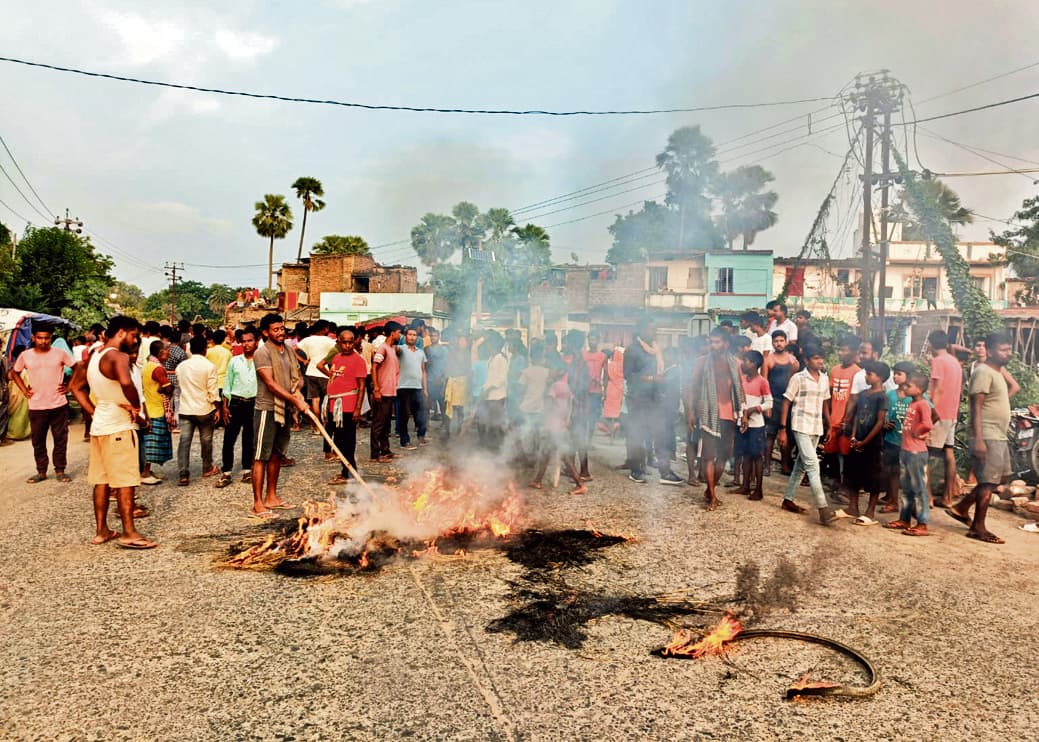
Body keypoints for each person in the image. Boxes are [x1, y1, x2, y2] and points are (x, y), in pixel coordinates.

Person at [70, 315, 156, 549]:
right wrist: (137, 408)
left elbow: (75, 387)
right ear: (122, 332)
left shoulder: (93, 355)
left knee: (102, 481)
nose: (135, 339)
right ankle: (129, 532)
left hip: (101, 424)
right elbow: (126, 383)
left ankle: (102, 531)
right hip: (119, 425)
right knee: (125, 481)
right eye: (133, 335)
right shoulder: (117, 356)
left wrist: (92, 411)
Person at [946, 331, 1013, 544]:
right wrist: (979, 439)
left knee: (999, 478)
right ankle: (978, 527)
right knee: (987, 482)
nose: (1008, 353)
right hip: (987, 433)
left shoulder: (998, 372)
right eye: (1003, 350)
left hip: (999, 435)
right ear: (991, 351)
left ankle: (962, 507)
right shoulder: (983, 371)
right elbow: (976, 406)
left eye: (1009, 349)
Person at [250, 313, 306, 517]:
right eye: (276, 329)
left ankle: (271, 497)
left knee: (277, 454)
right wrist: (294, 401)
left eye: (282, 328)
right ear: (266, 332)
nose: (281, 332)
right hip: (267, 408)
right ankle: (257, 503)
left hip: (284, 409)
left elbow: (297, 378)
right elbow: (271, 384)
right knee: (260, 456)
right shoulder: (262, 353)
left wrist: (298, 391)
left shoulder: (289, 350)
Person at [8, 321, 75, 483]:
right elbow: (14, 373)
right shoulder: (26, 355)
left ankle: (60, 470)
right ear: (33, 338)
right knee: (38, 440)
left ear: (51, 338)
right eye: (40, 338)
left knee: (60, 439)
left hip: (58, 404)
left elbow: (77, 368)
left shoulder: (60, 353)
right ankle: (41, 471)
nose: (43, 341)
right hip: (37, 406)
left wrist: (69, 387)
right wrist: (24, 390)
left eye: (47, 338)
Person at [778, 345, 836, 525]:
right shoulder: (798, 378)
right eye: (816, 358)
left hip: (816, 425)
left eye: (821, 358)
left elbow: (825, 401)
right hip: (800, 424)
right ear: (807, 361)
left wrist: (829, 424)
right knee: (812, 464)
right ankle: (823, 508)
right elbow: (786, 402)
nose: (820, 361)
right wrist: (782, 429)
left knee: (801, 466)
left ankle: (788, 499)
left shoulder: (824, 379)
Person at [689, 328, 746, 509]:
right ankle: (712, 496)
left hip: (729, 414)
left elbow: (740, 389)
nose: (713, 346)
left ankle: (710, 488)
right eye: (711, 342)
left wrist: (743, 412)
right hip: (707, 413)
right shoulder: (701, 362)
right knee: (708, 457)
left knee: (724, 456)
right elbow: (692, 388)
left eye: (717, 342)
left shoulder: (735, 363)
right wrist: (690, 411)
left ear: (726, 344)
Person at [625, 318, 683, 486]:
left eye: (655, 329)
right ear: (642, 330)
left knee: (661, 435)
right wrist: (652, 379)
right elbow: (629, 376)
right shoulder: (632, 350)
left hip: (656, 399)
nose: (654, 333)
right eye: (652, 329)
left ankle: (665, 472)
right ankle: (636, 470)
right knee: (637, 434)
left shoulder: (656, 349)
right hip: (637, 399)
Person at [886, 373, 935, 536]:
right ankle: (904, 519)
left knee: (919, 488)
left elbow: (928, 423)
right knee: (906, 488)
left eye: (909, 386)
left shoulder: (923, 404)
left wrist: (917, 431)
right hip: (906, 450)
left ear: (919, 389)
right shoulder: (913, 403)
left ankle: (922, 523)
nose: (905, 388)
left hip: (916, 452)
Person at [318, 328, 367, 485]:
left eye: (350, 342)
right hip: (334, 405)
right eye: (344, 342)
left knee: (348, 441)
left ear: (354, 342)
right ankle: (346, 469)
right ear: (338, 342)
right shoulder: (337, 357)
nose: (347, 345)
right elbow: (331, 372)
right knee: (337, 440)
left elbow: (362, 386)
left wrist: (358, 408)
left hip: (348, 406)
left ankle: (349, 472)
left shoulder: (358, 360)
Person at [530, 366, 587, 494]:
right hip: (561, 424)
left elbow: (548, 406)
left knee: (564, 456)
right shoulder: (566, 386)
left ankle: (580, 484)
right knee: (547, 453)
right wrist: (567, 419)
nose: (550, 372)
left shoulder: (554, 386)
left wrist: (544, 422)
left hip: (553, 424)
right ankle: (537, 480)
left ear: (557, 371)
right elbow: (572, 403)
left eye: (552, 369)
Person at [845, 361, 889, 524]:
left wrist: (865, 442)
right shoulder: (863, 394)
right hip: (858, 439)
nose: (866, 376)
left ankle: (870, 511)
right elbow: (857, 416)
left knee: (873, 476)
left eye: (869, 374)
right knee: (853, 472)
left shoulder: (882, 397)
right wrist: (854, 436)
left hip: (872, 443)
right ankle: (853, 506)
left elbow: (879, 422)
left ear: (880, 378)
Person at [217, 326, 259, 488]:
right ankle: (226, 472)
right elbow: (227, 384)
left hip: (253, 403)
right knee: (229, 438)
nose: (247, 344)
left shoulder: (262, 361)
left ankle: (247, 470)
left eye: (250, 341)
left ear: (256, 342)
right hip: (235, 402)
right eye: (243, 342)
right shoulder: (234, 361)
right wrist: (224, 407)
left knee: (249, 438)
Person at [176, 336, 220, 486]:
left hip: (185, 408)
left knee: (184, 441)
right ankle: (207, 467)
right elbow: (213, 392)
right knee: (206, 440)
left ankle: (183, 473)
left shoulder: (181, 366)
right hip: (204, 408)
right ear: (204, 349)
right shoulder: (209, 366)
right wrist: (218, 408)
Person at [927, 330, 963, 509]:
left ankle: (928, 497)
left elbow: (938, 389)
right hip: (952, 413)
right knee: (949, 452)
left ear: (932, 344)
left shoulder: (938, 361)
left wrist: (931, 412)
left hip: (939, 413)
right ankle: (948, 497)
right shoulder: (954, 361)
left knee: (927, 454)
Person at [732, 350, 771, 501]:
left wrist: (754, 410)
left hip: (756, 425)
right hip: (742, 422)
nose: (743, 363)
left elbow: (769, 402)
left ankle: (758, 489)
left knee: (757, 456)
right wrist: (742, 415)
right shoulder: (742, 379)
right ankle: (745, 485)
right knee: (745, 455)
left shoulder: (762, 382)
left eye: (746, 361)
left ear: (754, 364)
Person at [824, 336, 861, 488]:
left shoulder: (858, 373)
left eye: (844, 350)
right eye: (839, 350)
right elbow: (830, 394)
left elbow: (857, 400)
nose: (840, 353)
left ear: (853, 352)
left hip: (847, 420)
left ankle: (846, 485)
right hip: (833, 419)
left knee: (845, 454)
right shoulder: (834, 370)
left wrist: (849, 420)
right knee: (830, 451)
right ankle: (835, 481)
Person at [762, 330, 799, 476]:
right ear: (772, 343)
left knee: (788, 435)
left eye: (781, 340)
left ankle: (785, 465)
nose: (779, 343)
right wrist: (767, 404)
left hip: (788, 401)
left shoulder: (792, 360)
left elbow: (796, 380)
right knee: (770, 435)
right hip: (773, 400)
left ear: (786, 341)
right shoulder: (768, 360)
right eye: (776, 341)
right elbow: (764, 382)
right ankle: (766, 465)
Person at [141, 340, 173, 485]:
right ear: (160, 353)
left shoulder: (147, 366)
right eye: (167, 350)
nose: (169, 352)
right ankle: (146, 472)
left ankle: (146, 470)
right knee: (153, 444)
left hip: (149, 406)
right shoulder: (157, 369)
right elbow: (169, 388)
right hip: (156, 408)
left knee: (149, 442)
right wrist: (167, 387)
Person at [371, 321, 403, 462]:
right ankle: (375, 454)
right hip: (383, 391)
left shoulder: (391, 348)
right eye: (398, 332)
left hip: (391, 391)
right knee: (378, 423)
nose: (399, 335)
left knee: (386, 423)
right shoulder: (382, 349)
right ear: (392, 333)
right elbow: (374, 367)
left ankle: (385, 450)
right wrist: (376, 388)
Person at [296, 320, 336, 432]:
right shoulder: (329, 341)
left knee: (315, 400)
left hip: (311, 372)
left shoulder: (307, 340)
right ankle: (326, 425)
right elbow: (338, 351)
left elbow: (292, 349)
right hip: (325, 372)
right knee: (327, 400)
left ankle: (316, 427)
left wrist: (303, 360)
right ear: (325, 329)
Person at [517, 343, 551, 464]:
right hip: (540, 407)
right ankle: (536, 457)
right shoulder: (547, 372)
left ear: (531, 357)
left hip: (526, 407)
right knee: (536, 433)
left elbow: (521, 390)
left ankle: (527, 457)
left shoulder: (526, 372)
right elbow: (548, 390)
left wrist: (518, 403)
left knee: (526, 432)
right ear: (542, 357)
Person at [397, 326, 428, 450]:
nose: (412, 337)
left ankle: (421, 436)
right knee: (403, 415)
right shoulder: (401, 349)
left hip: (418, 387)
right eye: (409, 334)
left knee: (421, 413)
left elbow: (423, 371)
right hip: (403, 386)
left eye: (414, 335)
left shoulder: (421, 352)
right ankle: (405, 441)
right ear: (405, 337)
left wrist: (425, 389)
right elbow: (395, 350)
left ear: (417, 338)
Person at [477, 331, 509, 451]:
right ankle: (491, 447)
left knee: (496, 424)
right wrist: (484, 389)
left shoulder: (501, 359)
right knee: (488, 422)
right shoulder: (491, 358)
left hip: (497, 397)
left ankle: (499, 449)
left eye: (489, 343)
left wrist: (489, 388)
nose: (487, 346)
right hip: (488, 396)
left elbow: (502, 379)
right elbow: (489, 378)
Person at [443, 329, 470, 439]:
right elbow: (447, 367)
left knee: (460, 409)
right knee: (449, 407)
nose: (462, 343)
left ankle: (459, 430)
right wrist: (446, 380)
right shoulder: (452, 352)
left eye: (464, 341)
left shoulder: (468, 354)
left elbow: (469, 369)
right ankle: (447, 431)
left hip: (463, 382)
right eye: (460, 340)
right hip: (452, 381)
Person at [160, 324, 186, 431]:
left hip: (164, 377)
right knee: (177, 402)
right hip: (176, 377)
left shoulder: (165, 349)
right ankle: (176, 424)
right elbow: (183, 367)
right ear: (180, 339)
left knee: (165, 402)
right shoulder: (180, 352)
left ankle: (165, 421)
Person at [601, 345, 624, 438]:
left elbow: (605, 378)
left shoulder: (609, 365)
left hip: (610, 389)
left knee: (610, 414)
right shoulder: (624, 366)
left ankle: (610, 430)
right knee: (618, 413)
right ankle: (616, 429)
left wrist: (604, 392)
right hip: (620, 390)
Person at [425, 328, 448, 421]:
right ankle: (425, 424)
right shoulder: (426, 349)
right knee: (427, 403)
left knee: (442, 402)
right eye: (431, 336)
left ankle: (445, 423)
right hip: (429, 379)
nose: (433, 337)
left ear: (438, 337)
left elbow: (447, 364)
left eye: (435, 336)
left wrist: (441, 376)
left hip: (440, 380)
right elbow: (424, 364)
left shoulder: (444, 349)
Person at [206, 329, 233, 401]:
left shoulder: (208, 351)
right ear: (224, 339)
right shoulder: (228, 352)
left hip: (211, 382)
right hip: (224, 383)